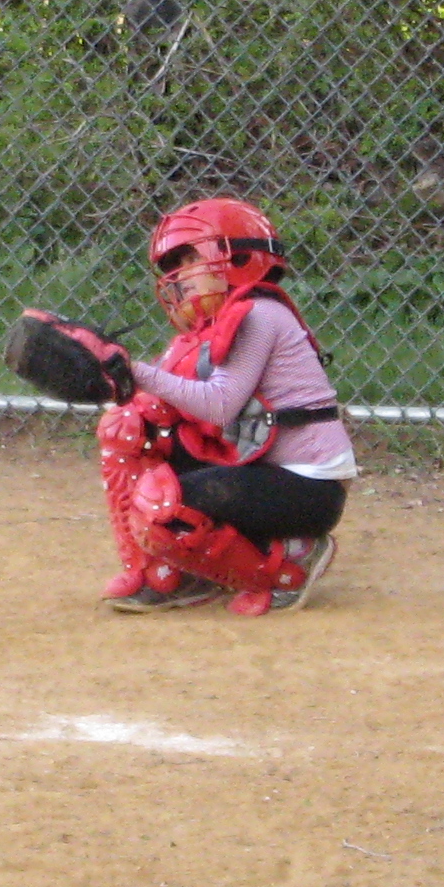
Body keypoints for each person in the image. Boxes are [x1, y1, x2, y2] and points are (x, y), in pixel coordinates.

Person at [97, 197, 351, 616]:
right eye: (174, 265)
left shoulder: (260, 314)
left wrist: (134, 370)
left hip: (307, 488)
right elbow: (163, 404)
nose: (180, 276)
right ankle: (166, 572)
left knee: (163, 500)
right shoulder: (220, 323)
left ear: (236, 257)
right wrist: (107, 379)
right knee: (130, 428)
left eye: (190, 259)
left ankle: (290, 561)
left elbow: (219, 406)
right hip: (263, 468)